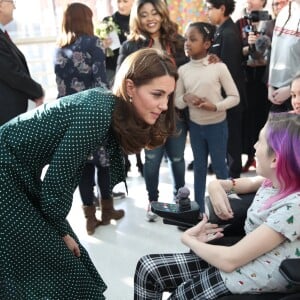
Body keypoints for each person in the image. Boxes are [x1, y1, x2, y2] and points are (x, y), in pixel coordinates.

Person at [0, 48, 178, 298]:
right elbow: (57, 184)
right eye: (157, 94)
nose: (164, 105)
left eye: (168, 96)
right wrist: (61, 232)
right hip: (6, 172)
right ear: (130, 87)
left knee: (60, 267)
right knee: (52, 267)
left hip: (16, 170)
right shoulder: (97, 112)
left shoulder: (105, 105)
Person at [134, 111, 300, 299]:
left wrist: (190, 240)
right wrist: (217, 185)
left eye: (260, 142)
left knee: (178, 295)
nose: (254, 146)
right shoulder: (275, 181)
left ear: (276, 159)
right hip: (246, 257)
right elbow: (247, 183)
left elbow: (230, 261)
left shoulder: (294, 207)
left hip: (252, 274)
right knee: (148, 268)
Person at [54, 2, 125, 236]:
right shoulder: (93, 43)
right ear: (86, 20)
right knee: (103, 164)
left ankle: (89, 218)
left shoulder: (59, 48)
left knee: (83, 167)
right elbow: (101, 82)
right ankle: (107, 211)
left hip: (70, 116)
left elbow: (61, 89)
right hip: (93, 113)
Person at [117, 0, 189, 221]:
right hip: (147, 117)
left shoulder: (177, 42)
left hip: (176, 111)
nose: (150, 18)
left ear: (163, 14)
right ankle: (153, 201)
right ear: (138, 17)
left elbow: (191, 64)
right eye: (145, 14)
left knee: (177, 158)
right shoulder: (130, 46)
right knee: (152, 160)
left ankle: (182, 201)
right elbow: (122, 79)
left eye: (155, 13)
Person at [175, 22, 239, 213]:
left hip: (217, 126)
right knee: (199, 168)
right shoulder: (183, 71)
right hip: (195, 127)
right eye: (186, 39)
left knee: (221, 168)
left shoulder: (218, 67)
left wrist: (215, 106)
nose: (187, 43)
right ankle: (199, 211)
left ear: (207, 44)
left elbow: (234, 97)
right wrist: (186, 97)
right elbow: (177, 103)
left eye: (193, 39)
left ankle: (228, 209)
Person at [205, 0, 247, 179]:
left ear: (222, 9)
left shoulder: (229, 34)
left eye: (209, 8)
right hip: (222, 98)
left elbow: (227, 71)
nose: (207, 12)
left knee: (232, 140)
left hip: (229, 98)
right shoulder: (221, 30)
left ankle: (233, 177)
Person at [236, 0, 272, 173]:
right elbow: (236, 50)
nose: (250, 1)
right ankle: (250, 156)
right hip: (247, 76)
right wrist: (247, 46)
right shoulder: (240, 23)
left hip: (266, 76)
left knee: (263, 117)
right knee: (248, 118)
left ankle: (263, 157)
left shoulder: (271, 21)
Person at [0, 0, 44, 125]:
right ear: (0, 5)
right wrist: (37, 91)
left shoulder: (3, 34)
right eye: (11, 2)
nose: (14, 6)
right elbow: (11, 72)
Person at [268, 0, 300, 112]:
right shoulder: (283, 13)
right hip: (277, 93)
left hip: (294, 95)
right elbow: (274, 52)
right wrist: (270, 85)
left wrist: (291, 90)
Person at [103, 0, 134, 86]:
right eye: (118, 1)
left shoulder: (139, 21)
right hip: (113, 69)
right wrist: (103, 46)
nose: (121, 5)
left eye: (125, 1)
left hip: (135, 68)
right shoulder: (108, 21)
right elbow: (100, 50)